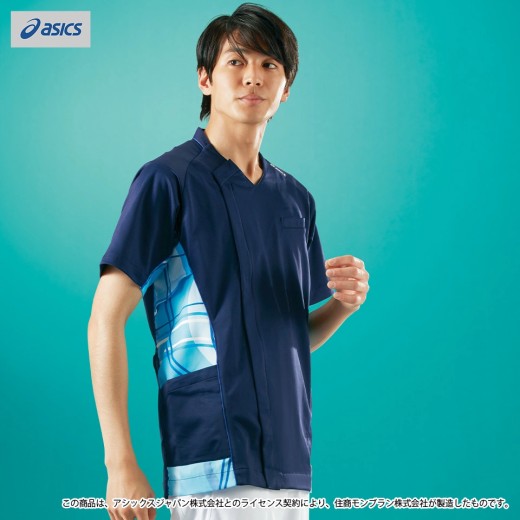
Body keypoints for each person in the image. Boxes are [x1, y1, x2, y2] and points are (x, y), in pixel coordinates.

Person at [87, 3, 370, 519]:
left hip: (289, 461)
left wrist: (342, 307)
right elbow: (105, 317)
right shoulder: (168, 181)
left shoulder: (295, 200)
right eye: (236, 62)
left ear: (286, 88)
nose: (252, 77)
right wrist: (119, 461)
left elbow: (289, 336)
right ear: (205, 79)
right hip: (210, 453)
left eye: (269, 65)